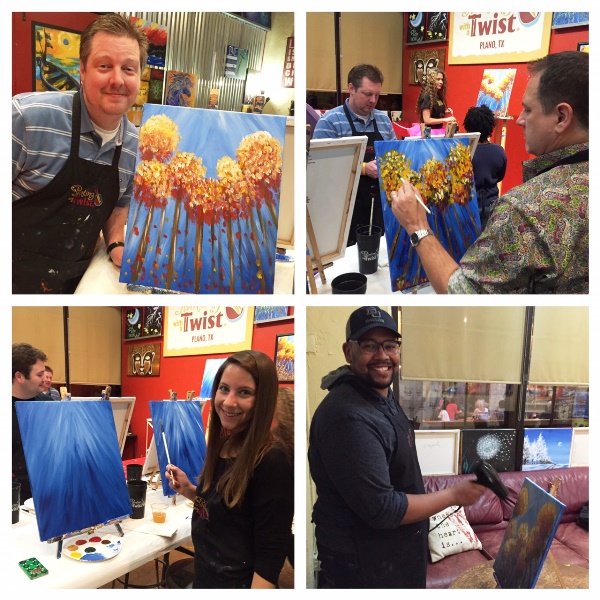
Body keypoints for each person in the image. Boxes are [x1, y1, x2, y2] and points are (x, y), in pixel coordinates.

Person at [308, 306, 486, 588]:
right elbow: (383, 508)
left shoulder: (381, 396)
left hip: (394, 555)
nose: (382, 356)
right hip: (364, 565)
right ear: (348, 351)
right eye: (369, 345)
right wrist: (453, 495)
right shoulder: (347, 416)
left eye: (390, 345)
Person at [391, 51, 588, 293]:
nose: (520, 119)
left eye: (527, 109)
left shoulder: (524, 210)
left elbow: (463, 295)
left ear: (561, 116)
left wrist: (416, 225)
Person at [12, 13, 149, 294]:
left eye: (128, 69)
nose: (117, 79)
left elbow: (120, 204)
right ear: (82, 71)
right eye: (104, 65)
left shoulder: (136, 146)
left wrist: (115, 244)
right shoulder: (25, 119)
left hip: (74, 286)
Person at [165, 350, 294, 588]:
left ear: (263, 399)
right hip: (206, 578)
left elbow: (269, 559)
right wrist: (191, 491)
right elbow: (224, 512)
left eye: (244, 392)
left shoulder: (271, 461)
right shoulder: (225, 443)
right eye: (224, 389)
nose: (229, 401)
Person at [312, 64, 396, 246]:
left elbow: (394, 156)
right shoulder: (330, 122)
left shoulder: (383, 121)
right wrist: (364, 168)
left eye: (377, 95)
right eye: (367, 94)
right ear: (351, 88)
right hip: (341, 212)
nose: (373, 100)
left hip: (378, 208)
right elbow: (320, 169)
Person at [12, 343, 49, 501]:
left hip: (46, 490)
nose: (45, 380)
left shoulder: (48, 404)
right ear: (19, 377)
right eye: (39, 375)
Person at [463, 105, 508, 229]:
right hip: (492, 204)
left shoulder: (463, 152)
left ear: (468, 126)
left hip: (469, 204)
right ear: (491, 127)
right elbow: (500, 176)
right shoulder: (499, 151)